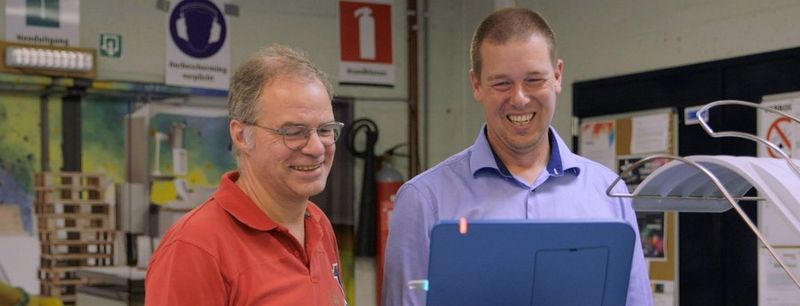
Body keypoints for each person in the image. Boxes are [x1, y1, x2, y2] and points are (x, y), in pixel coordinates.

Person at [382, 7, 653, 306]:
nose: (520, 99)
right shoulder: (425, 200)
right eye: (502, 83)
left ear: (558, 75)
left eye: (534, 80)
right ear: (476, 85)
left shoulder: (608, 193)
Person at [145, 45, 347, 306]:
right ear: (241, 136)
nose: (317, 148)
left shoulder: (319, 225)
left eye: (325, 130)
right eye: (294, 132)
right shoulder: (194, 247)